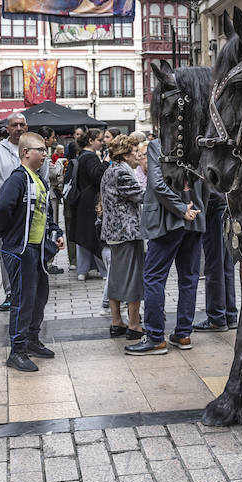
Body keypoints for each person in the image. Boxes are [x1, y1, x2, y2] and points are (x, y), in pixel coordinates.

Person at [127, 137, 207, 355]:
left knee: (154, 277)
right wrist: (196, 210)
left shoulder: (158, 145)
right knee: (188, 279)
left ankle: (155, 337)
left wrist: (182, 209)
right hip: (195, 219)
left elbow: (157, 184)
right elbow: (206, 182)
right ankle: (183, 334)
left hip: (168, 220)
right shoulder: (197, 144)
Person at [0, 133, 64, 372]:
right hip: (21, 250)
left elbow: (47, 213)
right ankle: (17, 350)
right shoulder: (18, 179)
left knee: (39, 297)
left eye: (45, 150)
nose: (45, 154)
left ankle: (32, 339)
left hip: (37, 250)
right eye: (40, 150)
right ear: (25, 152)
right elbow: (3, 209)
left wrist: (55, 231)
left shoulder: (39, 180)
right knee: (22, 301)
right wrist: (6, 235)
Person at [0, 114, 53, 312]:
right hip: (5, 212)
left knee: (32, 252)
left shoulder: (38, 150)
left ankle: (31, 290)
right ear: (7, 128)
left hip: (31, 214)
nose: (19, 128)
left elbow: (43, 181)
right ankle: (10, 292)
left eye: (22, 124)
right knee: (8, 254)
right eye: (15, 125)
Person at [100, 135, 146, 339]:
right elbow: (142, 196)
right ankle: (134, 325)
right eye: (136, 152)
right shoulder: (122, 173)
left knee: (116, 278)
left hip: (114, 232)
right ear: (126, 155)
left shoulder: (111, 170)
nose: (138, 156)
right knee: (132, 279)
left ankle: (117, 322)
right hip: (127, 233)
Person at [196, 188, 237, 331]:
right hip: (226, 204)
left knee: (215, 265)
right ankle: (230, 315)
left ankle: (217, 317)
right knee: (226, 265)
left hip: (214, 206)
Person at [68, 128, 107, 281]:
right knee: (93, 235)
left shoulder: (82, 155)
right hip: (90, 200)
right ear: (91, 140)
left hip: (81, 200)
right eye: (100, 140)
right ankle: (104, 271)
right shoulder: (91, 157)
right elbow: (98, 177)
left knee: (84, 235)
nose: (102, 143)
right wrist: (104, 162)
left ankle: (82, 270)